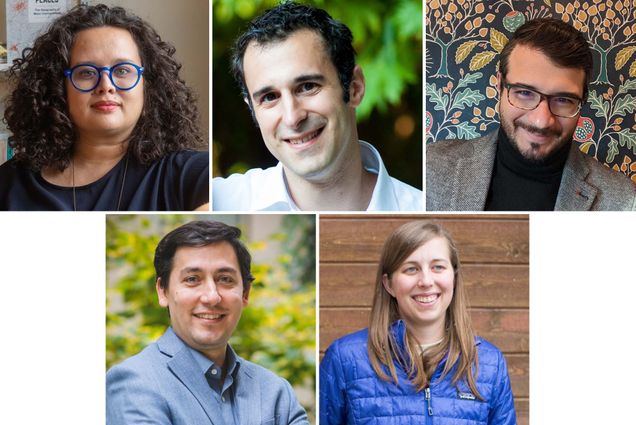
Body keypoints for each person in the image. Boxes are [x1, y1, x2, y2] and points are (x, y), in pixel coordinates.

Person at [213, 2, 422, 211]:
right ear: (253, 110)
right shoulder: (219, 201)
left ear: (354, 88)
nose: (292, 117)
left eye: (307, 86)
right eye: (269, 97)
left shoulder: (422, 210)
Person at [0, 4, 209, 211]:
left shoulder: (192, 175)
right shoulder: (8, 185)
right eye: (87, 72)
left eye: (123, 70)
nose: (106, 86)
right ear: (57, 87)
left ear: (148, 85)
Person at [106, 220, 308, 425]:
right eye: (192, 279)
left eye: (226, 279)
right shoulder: (135, 381)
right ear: (163, 291)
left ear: (245, 293)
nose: (212, 297)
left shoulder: (276, 392)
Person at [426, 18, 636, 211]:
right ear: (499, 85)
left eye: (563, 100)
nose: (541, 121)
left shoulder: (623, 199)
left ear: (582, 100)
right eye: (525, 93)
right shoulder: (432, 167)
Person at [320, 221, 516, 424]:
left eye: (438, 267)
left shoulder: (490, 363)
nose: (426, 281)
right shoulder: (345, 358)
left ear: (454, 278)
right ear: (389, 284)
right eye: (411, 269)